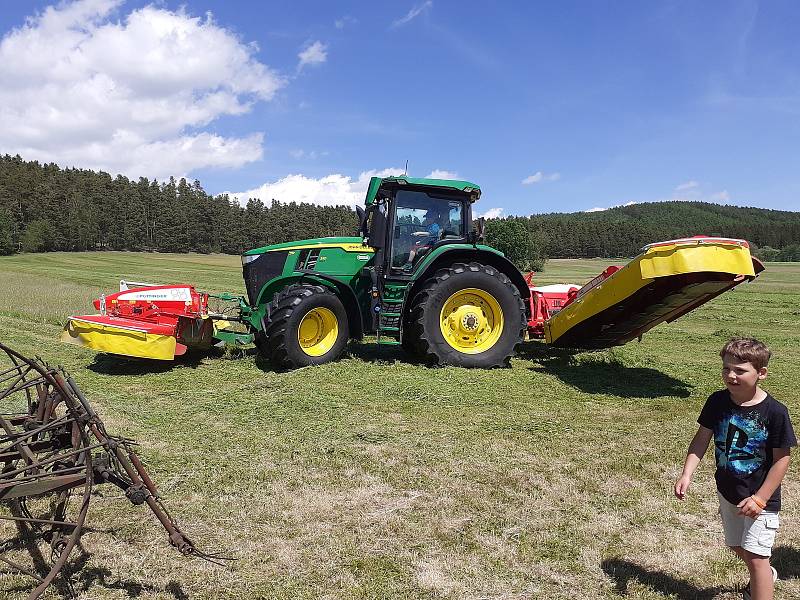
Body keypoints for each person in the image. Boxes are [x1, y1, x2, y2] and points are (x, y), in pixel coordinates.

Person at [674, 338, 796, 600]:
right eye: (726, 368)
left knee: (756, 556)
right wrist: (687, 473)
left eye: (740, 370)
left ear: (761, 373)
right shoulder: (717, 401)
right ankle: (764, 574)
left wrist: (761, 498)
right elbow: (702, 438)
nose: (731, 375)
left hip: (759, 499)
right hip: (728, 492)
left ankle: (760, 580)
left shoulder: (775, 412)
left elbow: (782, 459)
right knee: (736, 545)